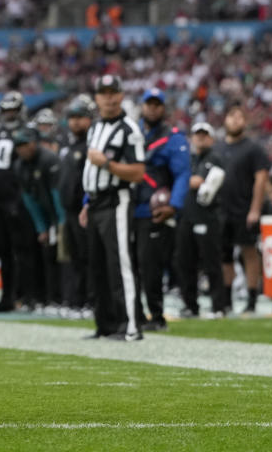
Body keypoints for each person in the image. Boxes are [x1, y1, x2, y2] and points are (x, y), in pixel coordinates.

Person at [79, 75, 146, 341]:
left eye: (112, 92)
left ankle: (130, 326)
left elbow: (139, 172)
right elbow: (89, 170)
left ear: (120, 96)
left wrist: (107, 163)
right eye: (103, 93)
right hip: (95, 202)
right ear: (96, 98)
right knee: (97, 266)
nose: (108, 97)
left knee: (121, 265)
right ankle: (105, 325)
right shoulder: (95, 127)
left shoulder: (130, 130)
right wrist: (86, 202)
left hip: (116, 201)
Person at [132, 88, 191, 331]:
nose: (153, 109)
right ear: (142, 106)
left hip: (154, 210)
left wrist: (174, 205)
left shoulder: (173, 137)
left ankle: (156, 316)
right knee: (129, 267)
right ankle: (133, 315)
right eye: (149, 104)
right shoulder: (131, 132)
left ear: (163, 108)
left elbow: (182, 174)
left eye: (157, 105)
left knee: (150, 267)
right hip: (128, 208)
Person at [216, 103, 270, 314]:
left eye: (239, 117)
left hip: (244, 209)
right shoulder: (218, 148)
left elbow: (261, 179)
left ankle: (251, 299)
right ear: (225, 120)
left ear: (245, 122)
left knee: (249, 252)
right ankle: (227, 298)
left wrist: (255, 209)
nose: (235, 120)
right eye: (231, 116)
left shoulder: (253, 148)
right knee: (225, 256)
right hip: (222, 210)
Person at [176, 122, 229, 317]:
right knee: (185, 263)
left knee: (211, 263)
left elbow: (207, 189)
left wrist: (196, 183)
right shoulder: (188, 159)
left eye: (204, 135)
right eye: (197, 134)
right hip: (187, 216)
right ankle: (190, 305)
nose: (200, 138)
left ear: (211, 138)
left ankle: (218, 306)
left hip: (207, 217)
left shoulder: (215, 158)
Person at [0, 91, 28, 313]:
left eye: (13, 110)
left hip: (14, 200)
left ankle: (19, 295)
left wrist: (18, 198)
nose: (9, 114)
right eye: (6, 110)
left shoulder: (25, 132)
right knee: (1, 250)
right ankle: (7, 295)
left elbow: (24, 170)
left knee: (17, 250)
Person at [13, 124, 65, 310]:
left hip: (62, 213)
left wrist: (61, 224)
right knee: (46, 256)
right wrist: (42, 228)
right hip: (45, 214)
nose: (21, 149)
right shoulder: (19, 165)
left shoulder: (49, 159)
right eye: (18, 146)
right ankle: (47, 298)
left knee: (66, 256)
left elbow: (57, 195)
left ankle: (66, 299)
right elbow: (30, 201)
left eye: (24, 144)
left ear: (34, 143)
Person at [58, 95, 95, 315]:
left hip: (85, 210)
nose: (76, 122)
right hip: (69, 211)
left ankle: (90, 301)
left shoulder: (92, 144)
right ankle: (76, 301)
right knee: (75, 258)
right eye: (72, 117)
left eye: (80, 117)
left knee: (88, 257)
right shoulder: (68, 143)